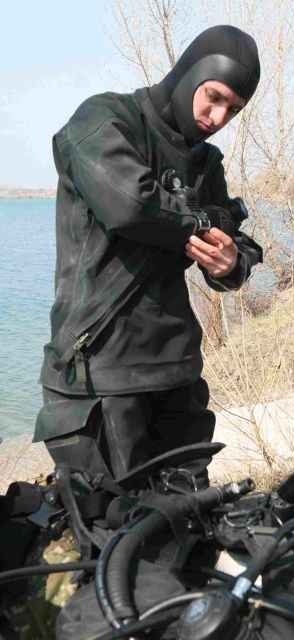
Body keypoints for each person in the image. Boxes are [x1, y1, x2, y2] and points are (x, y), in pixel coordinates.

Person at [33, 25, 262, 486]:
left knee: (188, 518)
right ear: (189, 73)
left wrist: (231, 264)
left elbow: (237, 243)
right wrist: (201, 221)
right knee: (107, 523)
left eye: (233, 110)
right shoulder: (103, 120)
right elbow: (131, 205)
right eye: (214, 97)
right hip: (100, 372)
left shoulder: (206, 163)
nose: (218, 117)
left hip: (178, 372)